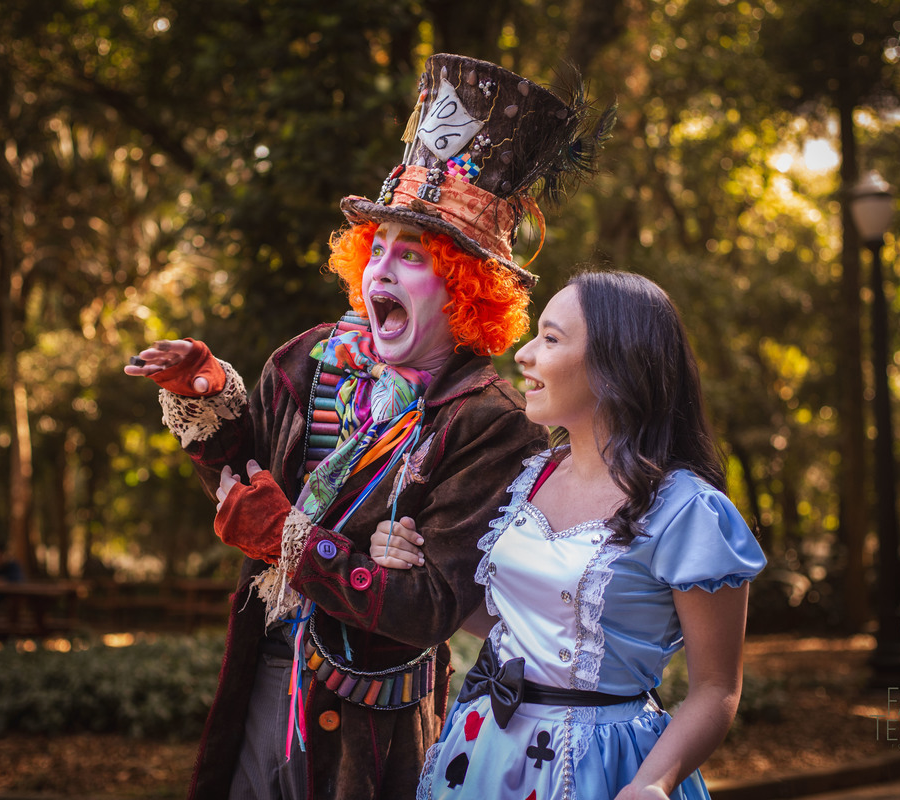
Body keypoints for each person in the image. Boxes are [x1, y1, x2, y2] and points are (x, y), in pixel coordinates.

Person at [124, 54, 610, 800]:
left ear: (461, 288)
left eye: (409, 256)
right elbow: (242, 489)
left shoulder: (490, 425)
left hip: (372, 729)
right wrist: (207, 399)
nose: (381, 269)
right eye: (375, 248)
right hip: (262, 680)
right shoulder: (305, 361)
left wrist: (292, 538)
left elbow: (426, 609)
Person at [373, 271, 768, 800]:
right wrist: (411, 561)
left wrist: (654, 782)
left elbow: (717, 688)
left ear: (615, 366)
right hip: (485, 747)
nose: (525, 354)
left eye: (551, 339)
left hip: (604, 766)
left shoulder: (690, 512)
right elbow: (510, 624)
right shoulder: (527, 478)